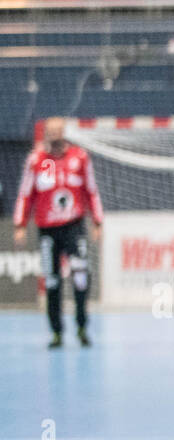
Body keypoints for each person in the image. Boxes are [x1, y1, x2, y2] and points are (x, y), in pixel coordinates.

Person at [13, 116, 104, 348]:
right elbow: (26, 194)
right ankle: (56, 332)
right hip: (48, 231)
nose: (54, 135)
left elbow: (91, 190)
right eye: (50, 131)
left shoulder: (80, 157)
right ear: (45, 133)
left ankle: (82, 326)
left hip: (74, 227)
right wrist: (20, 225)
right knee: (52, 282)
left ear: (64, 132)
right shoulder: (38, 160)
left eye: (58, 131)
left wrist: (97, 221)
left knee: (81, 277)